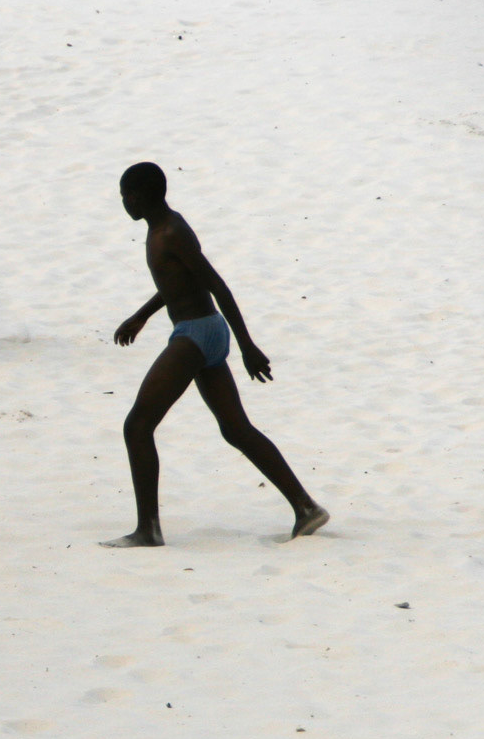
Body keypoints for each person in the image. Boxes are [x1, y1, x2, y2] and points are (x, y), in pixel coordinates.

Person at [101, 162, 328, 547]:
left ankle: (148, 530)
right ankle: (305, 508)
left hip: (197, 334)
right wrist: (140, 316)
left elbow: (217, 286)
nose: (123, 202)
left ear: (137, 196)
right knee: (235, 428)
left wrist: (248, 346)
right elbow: (177, 283)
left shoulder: (170, 232)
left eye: (125, 195)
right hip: (202, 332)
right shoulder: (163, 228)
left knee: (137, 426)